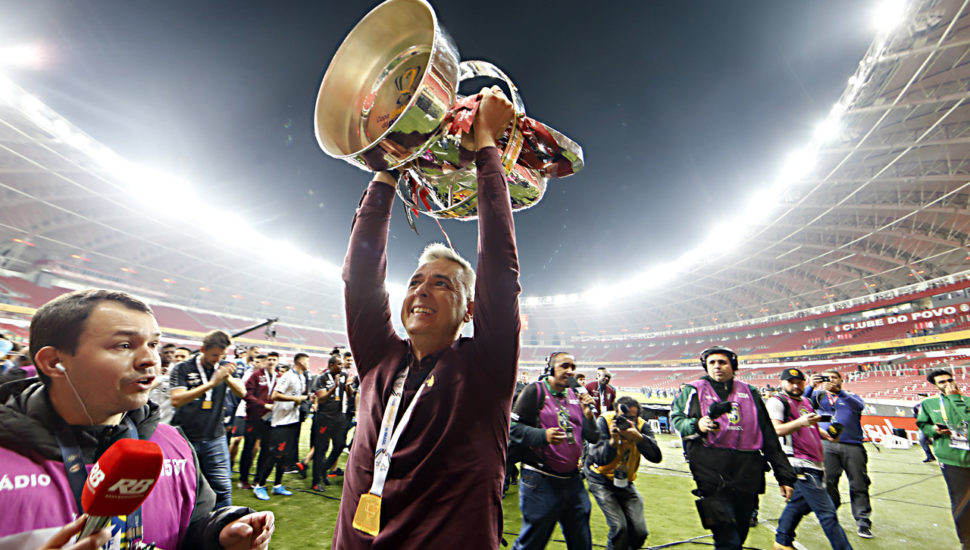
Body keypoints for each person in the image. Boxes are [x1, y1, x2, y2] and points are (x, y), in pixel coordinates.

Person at [331, 86, 520, 549]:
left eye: (441, 284)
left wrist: (487, 147)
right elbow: (361, 277)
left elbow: (500, 270)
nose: (421, 290)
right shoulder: (379, 358)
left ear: (470, 309)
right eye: (416, 281)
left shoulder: (487, 367)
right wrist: (389, 168)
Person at [0, 289, 273, 549]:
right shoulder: (7, 458)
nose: (150, 359)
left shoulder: (172, 443)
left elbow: (192, 526)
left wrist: (218, 537)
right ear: (54, 362)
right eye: (124, 345)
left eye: (153, 344)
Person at [670, 346, 795, 550]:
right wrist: (697, 425)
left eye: (722, 362)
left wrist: (785, 477)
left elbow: (769, 437)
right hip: (710, 474)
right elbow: (677, 420)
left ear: (733, 366)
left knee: (740, 532)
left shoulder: (750, 392)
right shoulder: (693, 390)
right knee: (727, 536)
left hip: (747, 473)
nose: (717, 366)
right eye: (712, 363)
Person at [509, 352, 598, 550]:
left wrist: (588, 416)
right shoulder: (535, 391)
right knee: (533, 542)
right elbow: (512, 429)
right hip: (540, 479)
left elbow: (593, 437)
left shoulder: (575, 395)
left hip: (573, 481)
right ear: (550, 369)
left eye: (573, 367)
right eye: (564, 366)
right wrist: (543, 435)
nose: (570, 371)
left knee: (582, 542)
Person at [769, 368, 852, 550]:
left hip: (815, 462)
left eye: (799, 382)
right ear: (782, 383)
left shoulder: (806, 401)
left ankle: (782, 541)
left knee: (798, 505)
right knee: (827, 513)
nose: (795, 386)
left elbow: (811, 426)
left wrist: (826, 434)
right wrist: (801, 422)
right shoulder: (777, 401)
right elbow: (775, 430)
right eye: (791, 382)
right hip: (799, 462)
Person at [170, 330, 245, 509]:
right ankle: (187, 522)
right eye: (214, 355)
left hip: (215, 436)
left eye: (221, 355)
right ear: (203, 349)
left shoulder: (225, 366)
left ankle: (223, 521)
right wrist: (211, 384)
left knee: (222, 486)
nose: (217, 359)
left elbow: (242, 393)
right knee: (182, 487)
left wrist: (227, 377)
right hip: (185, 437)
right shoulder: (183, 368)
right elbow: (176, 400)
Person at [586, 396, 662, 550]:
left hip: (625, 481)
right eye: (622, 417)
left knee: (640, 531)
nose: (626, 421)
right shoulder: (605, 421)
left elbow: (656, 457)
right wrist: (613, 443)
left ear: (638, 417)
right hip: (600, 479)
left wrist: (639, 438)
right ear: (615, 413)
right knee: (620, 527)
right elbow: (598, 458)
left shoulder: (641, 426)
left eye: (631, 418)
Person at [805, 369, 873, 538]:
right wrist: (810, 386)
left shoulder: (850, 396)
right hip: (826, 444)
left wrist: (839, 392)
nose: (831, 380)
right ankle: (830, 513)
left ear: (841, 380)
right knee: (827, 481)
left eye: (834, 378)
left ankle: (863, 521)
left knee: (859, 482)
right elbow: (802, 403)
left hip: (852, 445)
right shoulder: (818, 396)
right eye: (827, 378)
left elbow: (859, 407)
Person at [916, 368, 970, 548]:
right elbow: (923, 425)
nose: (947, 384)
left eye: (950, 380)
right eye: (942, 382)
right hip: (951, 460)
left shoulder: (967, 401)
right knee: (961, 503)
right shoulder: (929, 403)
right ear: (935, 386)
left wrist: (955, 399)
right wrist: (934, 430)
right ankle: (966, 541)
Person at [252, 351, 308, 500]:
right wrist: (295, 399)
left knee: (285, 455)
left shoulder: (301, 377)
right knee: (274, 454)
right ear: (301, 362)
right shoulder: (288, 376)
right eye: (307, 361)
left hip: (292, 420)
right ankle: (260, 485)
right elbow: (275, 395)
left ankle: (277, 485)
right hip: (280, 422)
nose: (308, 364)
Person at [311, 354, 350, 489]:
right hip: (324, 418)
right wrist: (335, 387)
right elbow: (321, 399)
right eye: (339, 364)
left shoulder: (344, 375)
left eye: (342, 364)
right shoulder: (321, 378)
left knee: (340, 445)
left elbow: (349, 395)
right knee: (321, 448)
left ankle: (324, 468)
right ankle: (316, 481)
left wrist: (348, 387)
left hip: (339, 417)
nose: (341, 366)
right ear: (331, 365)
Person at [239, 354, 273, 490]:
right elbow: (247, 395)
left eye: (273, 360)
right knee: (249, 448)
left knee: (266, 450)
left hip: (269, 419)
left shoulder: (277, 376)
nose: (271, 363)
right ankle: (243, 479)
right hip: (253, 417)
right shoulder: (255, 376)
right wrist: (263, 405)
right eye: (269, 360)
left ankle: (258, 479)